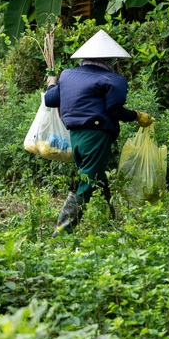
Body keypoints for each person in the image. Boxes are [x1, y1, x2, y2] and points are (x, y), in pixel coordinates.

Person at [44, 29, 154, 237]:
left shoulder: (67, 75)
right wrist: (136, 115)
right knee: (87, 181)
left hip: (75, 136)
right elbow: (114, 110)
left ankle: (110, 221)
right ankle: (62, 232)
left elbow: (50, 99)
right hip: (96, 135)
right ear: (109, 59)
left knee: (97, 177)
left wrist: (51, 83)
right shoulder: (113, 79)